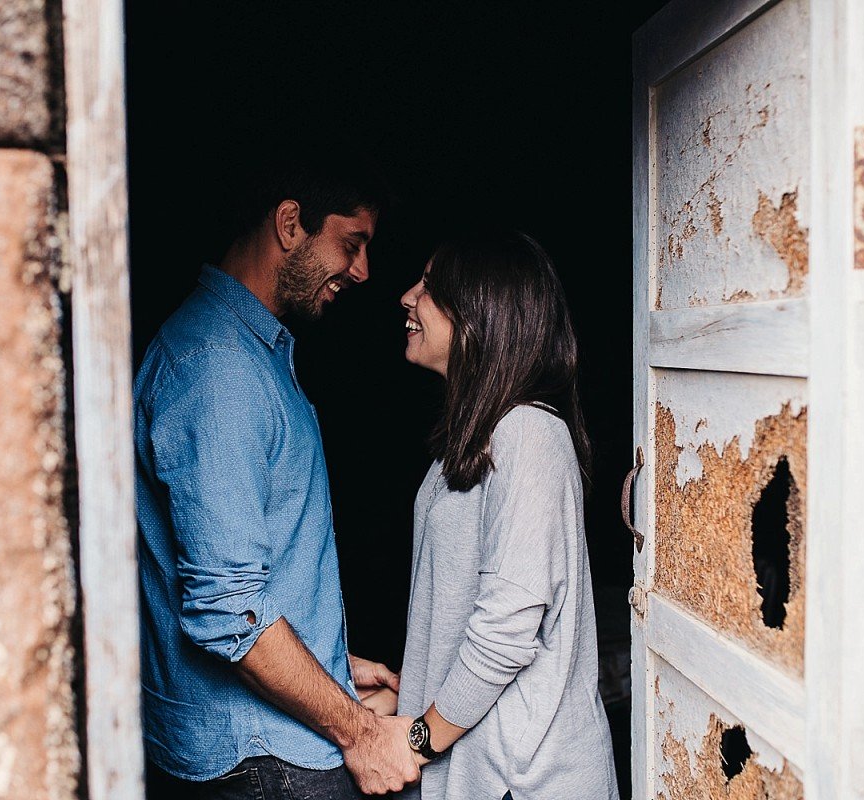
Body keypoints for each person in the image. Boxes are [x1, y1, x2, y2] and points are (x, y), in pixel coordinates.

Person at [134, 153, 421, 799]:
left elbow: (246, 572)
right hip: (263, 762)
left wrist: (328, 662)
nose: (363, 271)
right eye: (352, 243)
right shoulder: (218, 369)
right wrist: (360, 731)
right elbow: (227, 608)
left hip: (265, 742)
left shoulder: (248, 350)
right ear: (291, 224)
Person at [394, 231, 619, 799]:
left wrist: (414, 741)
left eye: (429, 286)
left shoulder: (529, 434)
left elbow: (504, 632)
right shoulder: (475, 441)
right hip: (483, 772)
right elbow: (459, 613)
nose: (407, 297)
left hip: (524, 781)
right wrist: (405, 695)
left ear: (478, 315)